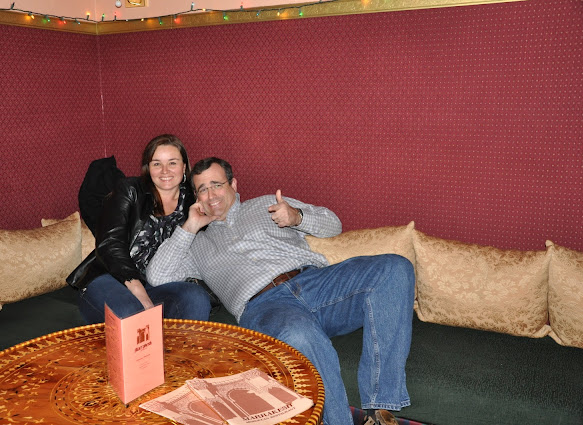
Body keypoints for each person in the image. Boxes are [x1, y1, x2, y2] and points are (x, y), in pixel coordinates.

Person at [145, 157, 416, 425]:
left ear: (233, 185)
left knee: (394, 268)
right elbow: (157, 275)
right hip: (266, 306)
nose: (211, 194)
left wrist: (297, 217)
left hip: (316, 283)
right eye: (202, 189)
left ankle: (379, 408)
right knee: (299, 333)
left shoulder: (266, 205)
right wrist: (190, 226)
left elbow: (333, 224)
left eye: (216, 184)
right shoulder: (197, 245)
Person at [67, 134, 212, 324]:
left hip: (157, 283)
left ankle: (182, 344)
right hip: (110, 277)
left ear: (184, 167)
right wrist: (140, 294)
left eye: (172, 163)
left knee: (196, 298)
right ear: (148, 168)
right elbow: (110, 244)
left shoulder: (192, 202)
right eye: (157, 164)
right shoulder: (130, 190)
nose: (165, 171)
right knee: (132, 313)